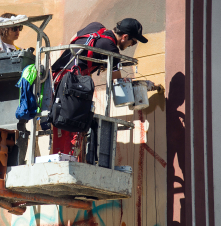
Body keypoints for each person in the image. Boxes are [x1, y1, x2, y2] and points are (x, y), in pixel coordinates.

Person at [51, 18, 148, 157]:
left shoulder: (95, 26)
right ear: (125, 37)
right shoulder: (112, 50)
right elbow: (118, 82)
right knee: (71, 125)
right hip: (71, 85)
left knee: (61, 122)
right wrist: (140, 90)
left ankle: (61, 157)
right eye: (133, 41)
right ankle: (66, 160)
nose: (133, 45)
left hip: (57, 77)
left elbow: (74, 40)